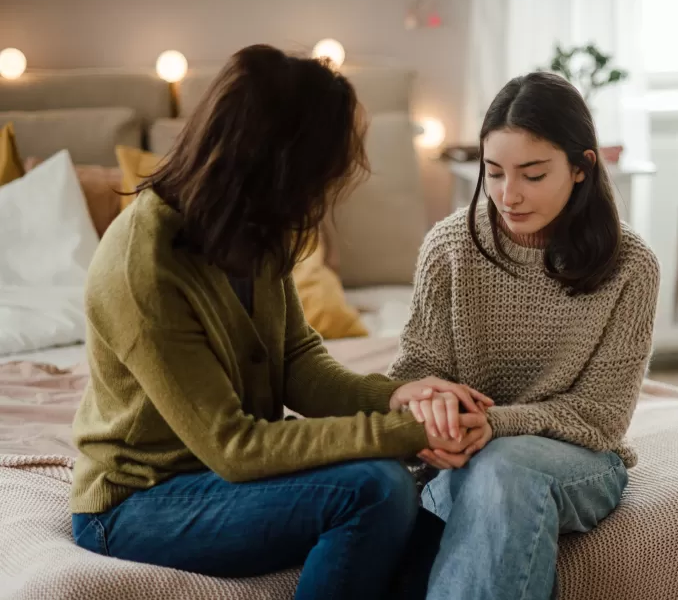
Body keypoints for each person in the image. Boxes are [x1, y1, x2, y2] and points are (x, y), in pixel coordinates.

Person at [69, 44, 492, 600]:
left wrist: (399, 398)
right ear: (277, 164)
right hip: (140, 499)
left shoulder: (256, 230)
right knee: (376, 489)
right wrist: (409, 434)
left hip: (226, 478)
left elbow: (298, 365)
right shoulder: (142, 265)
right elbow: (235, 446)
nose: (320, 198)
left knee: (456, 537)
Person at [389, 71, 661, 600]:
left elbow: (601, 417)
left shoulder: (631, 266)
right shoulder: (449, 247)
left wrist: (493, 423)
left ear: (581, 168)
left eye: (533, 175)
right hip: (464, 453)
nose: (508, 196)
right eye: (493, 173)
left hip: (580, 459)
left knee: (505, 468)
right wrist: (437, 409)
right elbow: (414, 373)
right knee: (486, 472)